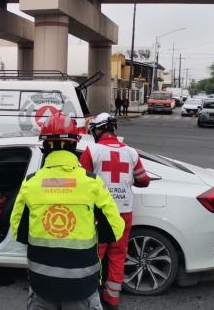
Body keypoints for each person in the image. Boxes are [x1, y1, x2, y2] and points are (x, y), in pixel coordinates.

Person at [11, 111, 124, 310]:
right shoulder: (92, 183)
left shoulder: (31, 183)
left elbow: (18, 232)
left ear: (45, 146)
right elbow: (115, 230)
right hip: (82, 287)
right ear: (74, 145)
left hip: (42, 285)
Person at [80, 113, 150, 309]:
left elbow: (81, 179)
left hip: (99, 213)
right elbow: (143, 180)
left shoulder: (92, 150)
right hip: (124, 212)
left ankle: (91, 297)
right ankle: (112, 299)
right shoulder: (131, 152)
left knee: (96, 255)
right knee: (118, 254)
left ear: (99, 129)